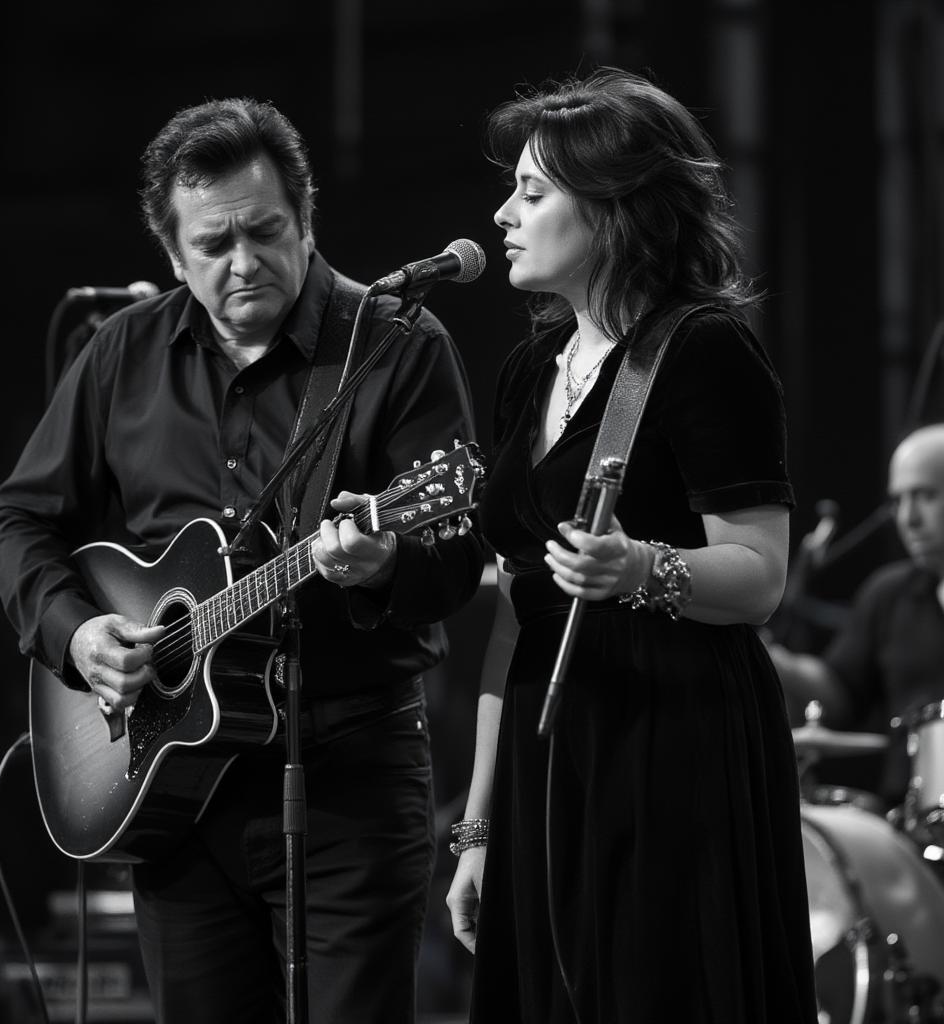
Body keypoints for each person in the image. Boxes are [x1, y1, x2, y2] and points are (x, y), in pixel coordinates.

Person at [0, 97, 483, 1023]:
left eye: (265, 232)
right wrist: (78, 631)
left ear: (305, 220)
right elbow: (21, 520)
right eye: (212, 245)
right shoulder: (120, 355)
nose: (244, 262)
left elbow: (454, 561)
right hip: (170, 789)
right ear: (172, 256)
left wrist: (381, 563)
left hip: (347, 775)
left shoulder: (394, 345)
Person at [445, 69, 818, 1023]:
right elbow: (514, 618)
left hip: (670, 738)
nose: (501, 215)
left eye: (531, 193)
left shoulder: (703, 350)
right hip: (544, 742)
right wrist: (480, 827)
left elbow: (761, 577)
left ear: (614, 211)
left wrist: (640, 567)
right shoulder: (530, 369)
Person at [768, 423, 944, 807]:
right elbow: (839, 695)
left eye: (925, 496)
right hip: (912, 823)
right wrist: (775, 661)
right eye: (898, 501)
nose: (908, 518)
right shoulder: (890, 593)